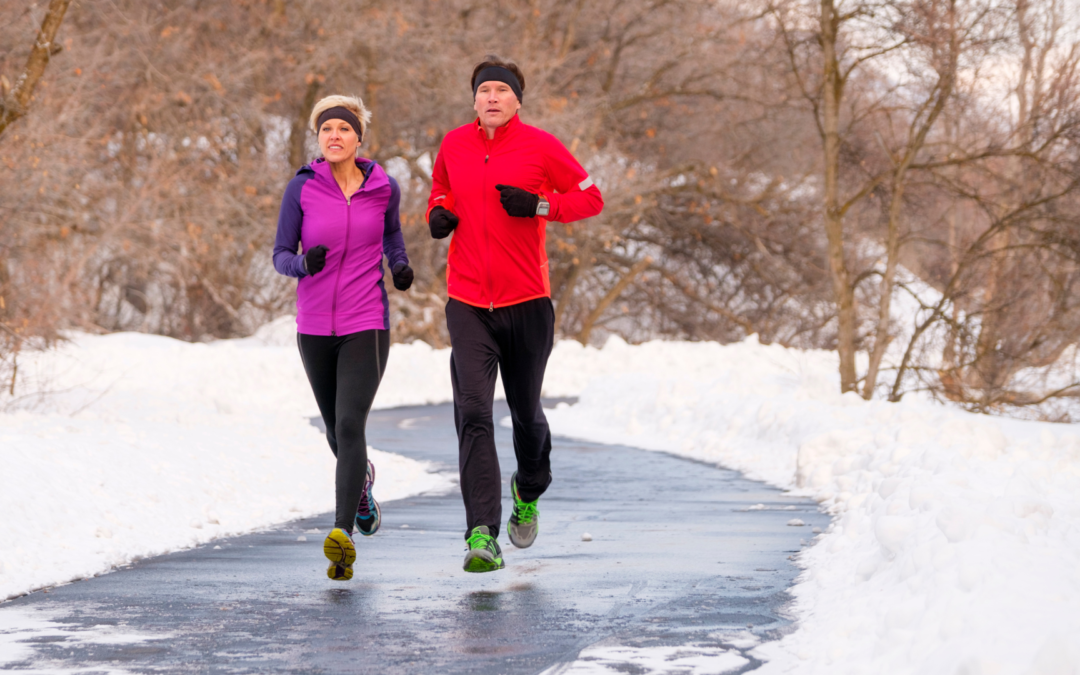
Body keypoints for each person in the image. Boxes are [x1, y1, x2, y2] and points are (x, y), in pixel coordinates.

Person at [427, 56, 604, 572]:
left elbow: (591, 197)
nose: (492, 98)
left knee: (526, 415)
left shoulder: (542, 146)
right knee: (475, 414)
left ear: (517, 100)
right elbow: (441, 187)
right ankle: (482, 532)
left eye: (502, 90)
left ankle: (529, 489)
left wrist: (541, 205)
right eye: (484, 91)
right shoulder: (454, 144)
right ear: (474, 99)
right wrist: (438, 211)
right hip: (467, 303)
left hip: (527, 302)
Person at [273, 94, 414, 581]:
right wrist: (301, 265)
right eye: (326, 129)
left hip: (365, 322)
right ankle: (363, 487)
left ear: (359, 138)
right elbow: (279, 253)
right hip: (313, 327)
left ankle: (342, 534)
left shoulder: (383, 188)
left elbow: (392, 236)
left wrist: (398, 264)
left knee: (351, 425)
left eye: (343, 129)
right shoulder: (302, 189)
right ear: (319, 139)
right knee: (335, 431)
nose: (334, 136)